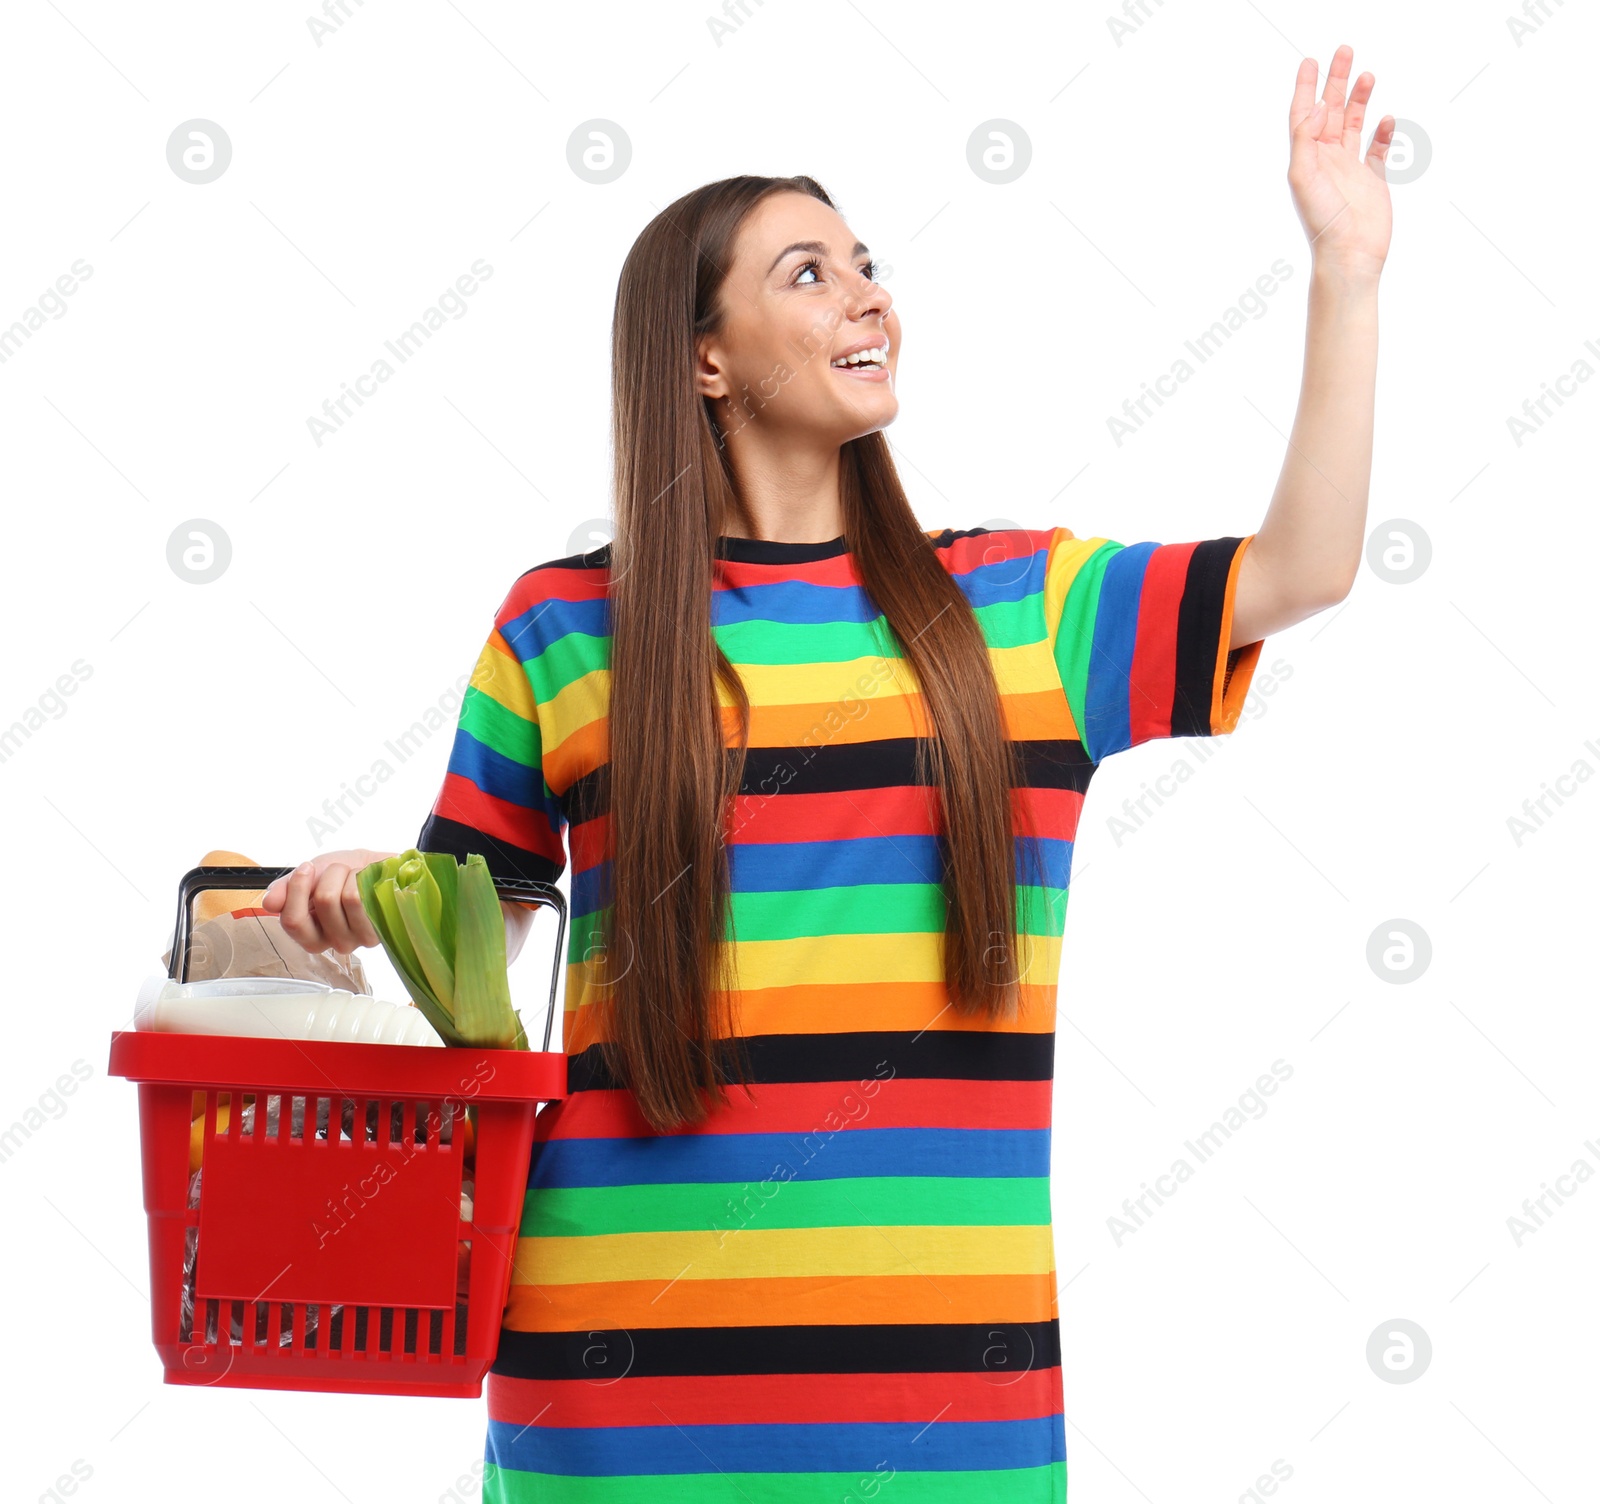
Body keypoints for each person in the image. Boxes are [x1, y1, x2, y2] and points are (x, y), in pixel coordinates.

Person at [264, 45, 1390, 1503]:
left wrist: (1346, 272)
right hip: (611, 1397)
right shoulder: (563, 625)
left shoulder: (1023, 610)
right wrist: (365, 893)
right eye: (808, 272)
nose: (869, 296)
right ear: (704, 358)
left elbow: (1303, 569)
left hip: (939, 1408)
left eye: (867, 264)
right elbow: (476, 931)